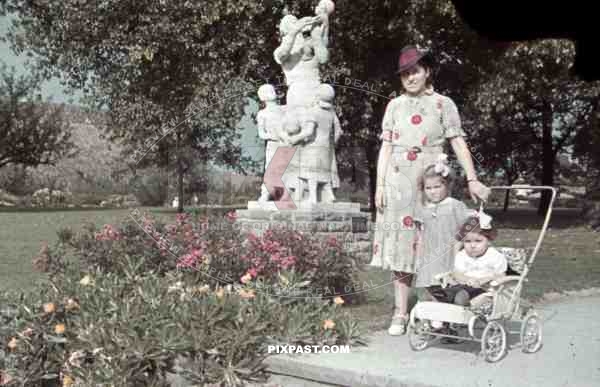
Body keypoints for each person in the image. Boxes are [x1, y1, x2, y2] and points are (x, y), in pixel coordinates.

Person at [370, 45, 491, 336]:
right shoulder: (394, 106)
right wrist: (380, 185)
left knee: (434, 245)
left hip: (431, 183)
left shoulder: (443, 104)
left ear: (427, 72)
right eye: (405, 74)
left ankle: (437, 310)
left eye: (415, 71)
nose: (411, 77)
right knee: (402, 246)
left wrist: (473, 178)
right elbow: (386, 148)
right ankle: (400, 312)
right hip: (398, 183)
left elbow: (458, 142)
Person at [413, 154, 474, 293]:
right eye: (428, 188)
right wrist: (418, 258)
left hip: (450, 252)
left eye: (437, 187)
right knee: (430, 285)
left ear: (447, 185)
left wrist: (459, 245)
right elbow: (420, 236)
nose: (433, 192)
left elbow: (469, 226)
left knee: (450, 285)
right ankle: (433, 309)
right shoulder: (423, 208)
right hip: (429, 254)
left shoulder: (454, 205)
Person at [434, 213, 508, 307]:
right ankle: (442, 299)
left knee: (463, 294)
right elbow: (457, 273)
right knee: (453, 290)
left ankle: (456, 303)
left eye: (478, 241)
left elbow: (501, 276)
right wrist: (468, 279)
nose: (472, 245)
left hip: (485, 289)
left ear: (488, 241)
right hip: (464, 285)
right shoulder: (462, 255)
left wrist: (484, 279)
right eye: (468, 241)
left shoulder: (495, 256)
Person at [256, 84, 286, 202]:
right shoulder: (262, 114)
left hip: (286, 143)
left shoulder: (284, 109)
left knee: (286, 169)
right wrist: (274, 136)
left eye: (272, 90)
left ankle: (284, 194)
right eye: (267, 91)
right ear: (262, 97)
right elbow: (261, 133)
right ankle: (266, 193)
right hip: (273, 144)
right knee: (271, 169)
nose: (271, 92)